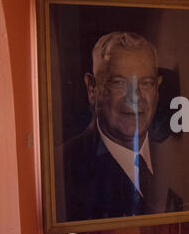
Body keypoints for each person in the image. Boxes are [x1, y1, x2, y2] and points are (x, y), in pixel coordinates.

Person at [57, 31, 182, 222]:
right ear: (92, 88)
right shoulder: (60, 168)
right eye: (119, 83)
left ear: (157, 88)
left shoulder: (177, 160)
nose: (135, 96)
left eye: (146, 83)